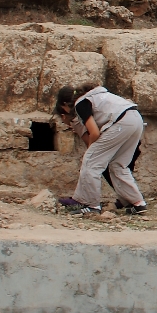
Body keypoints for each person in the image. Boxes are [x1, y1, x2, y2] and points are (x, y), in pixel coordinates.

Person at [54, 84, 146, 216]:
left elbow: (94, 133)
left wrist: (91, 151)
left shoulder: (81, 103)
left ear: (64, 105)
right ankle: (137, 203)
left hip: (121, 123)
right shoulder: (98, 96)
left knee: (91, 162)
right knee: (118, 165)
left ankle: (92, 205)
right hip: (136, 119)